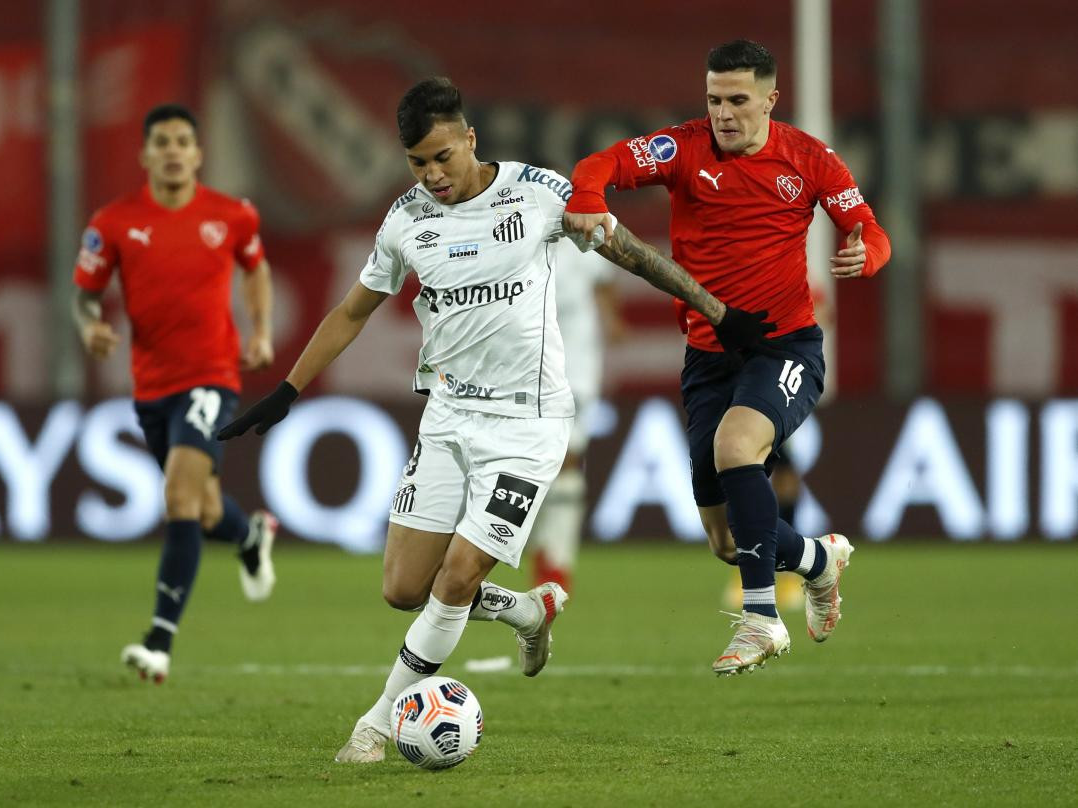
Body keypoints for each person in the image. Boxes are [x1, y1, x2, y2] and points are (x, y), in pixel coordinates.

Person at [217, 77, 774, 760]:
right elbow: (353, 310)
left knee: (453, 580)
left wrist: (718, 314)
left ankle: (377, 720)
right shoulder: (407, 219)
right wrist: (289, 390)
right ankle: (524, 608)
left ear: (470, 137)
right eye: (418, 162)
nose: (433, 175)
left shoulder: (539, 194)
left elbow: (632, 254)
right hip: (448, 419)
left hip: (528, 425)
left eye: (443, 157)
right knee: (401, 589)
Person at [564, 39, 891, 675]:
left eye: (738, 100)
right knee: (728, 540)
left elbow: (870, 230)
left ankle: (761, 618)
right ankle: (820, 562)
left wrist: (867, 256)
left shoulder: (809, 158)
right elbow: (601, 162)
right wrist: (586, 196)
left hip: (783, 344)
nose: (723, 113)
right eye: (714, 99)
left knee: (738, 448)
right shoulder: (683, 149)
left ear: (770, 99)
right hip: (708, 355)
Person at [71, 103, 280, 685]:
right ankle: (249, 534)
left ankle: (159, 640)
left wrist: (260, 330)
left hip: (212, 375)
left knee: (179, 498)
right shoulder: (112, 222)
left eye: (182, 140)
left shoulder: (231, 214)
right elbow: (85, 292)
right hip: (151, 387)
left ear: (197, 153)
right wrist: (89, 326)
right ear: (144, 154)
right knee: (206, 508)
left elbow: (256, 267)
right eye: (160, 141)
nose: (171, 150)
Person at [528, 237, 627, 592]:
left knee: (568, 458)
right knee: (536, 461)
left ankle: (557, 562)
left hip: (577, 367)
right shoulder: (520, 233)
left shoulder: (580, 232)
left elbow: (605, 280)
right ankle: (540, 548)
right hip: (530, 367)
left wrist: (612, 319)